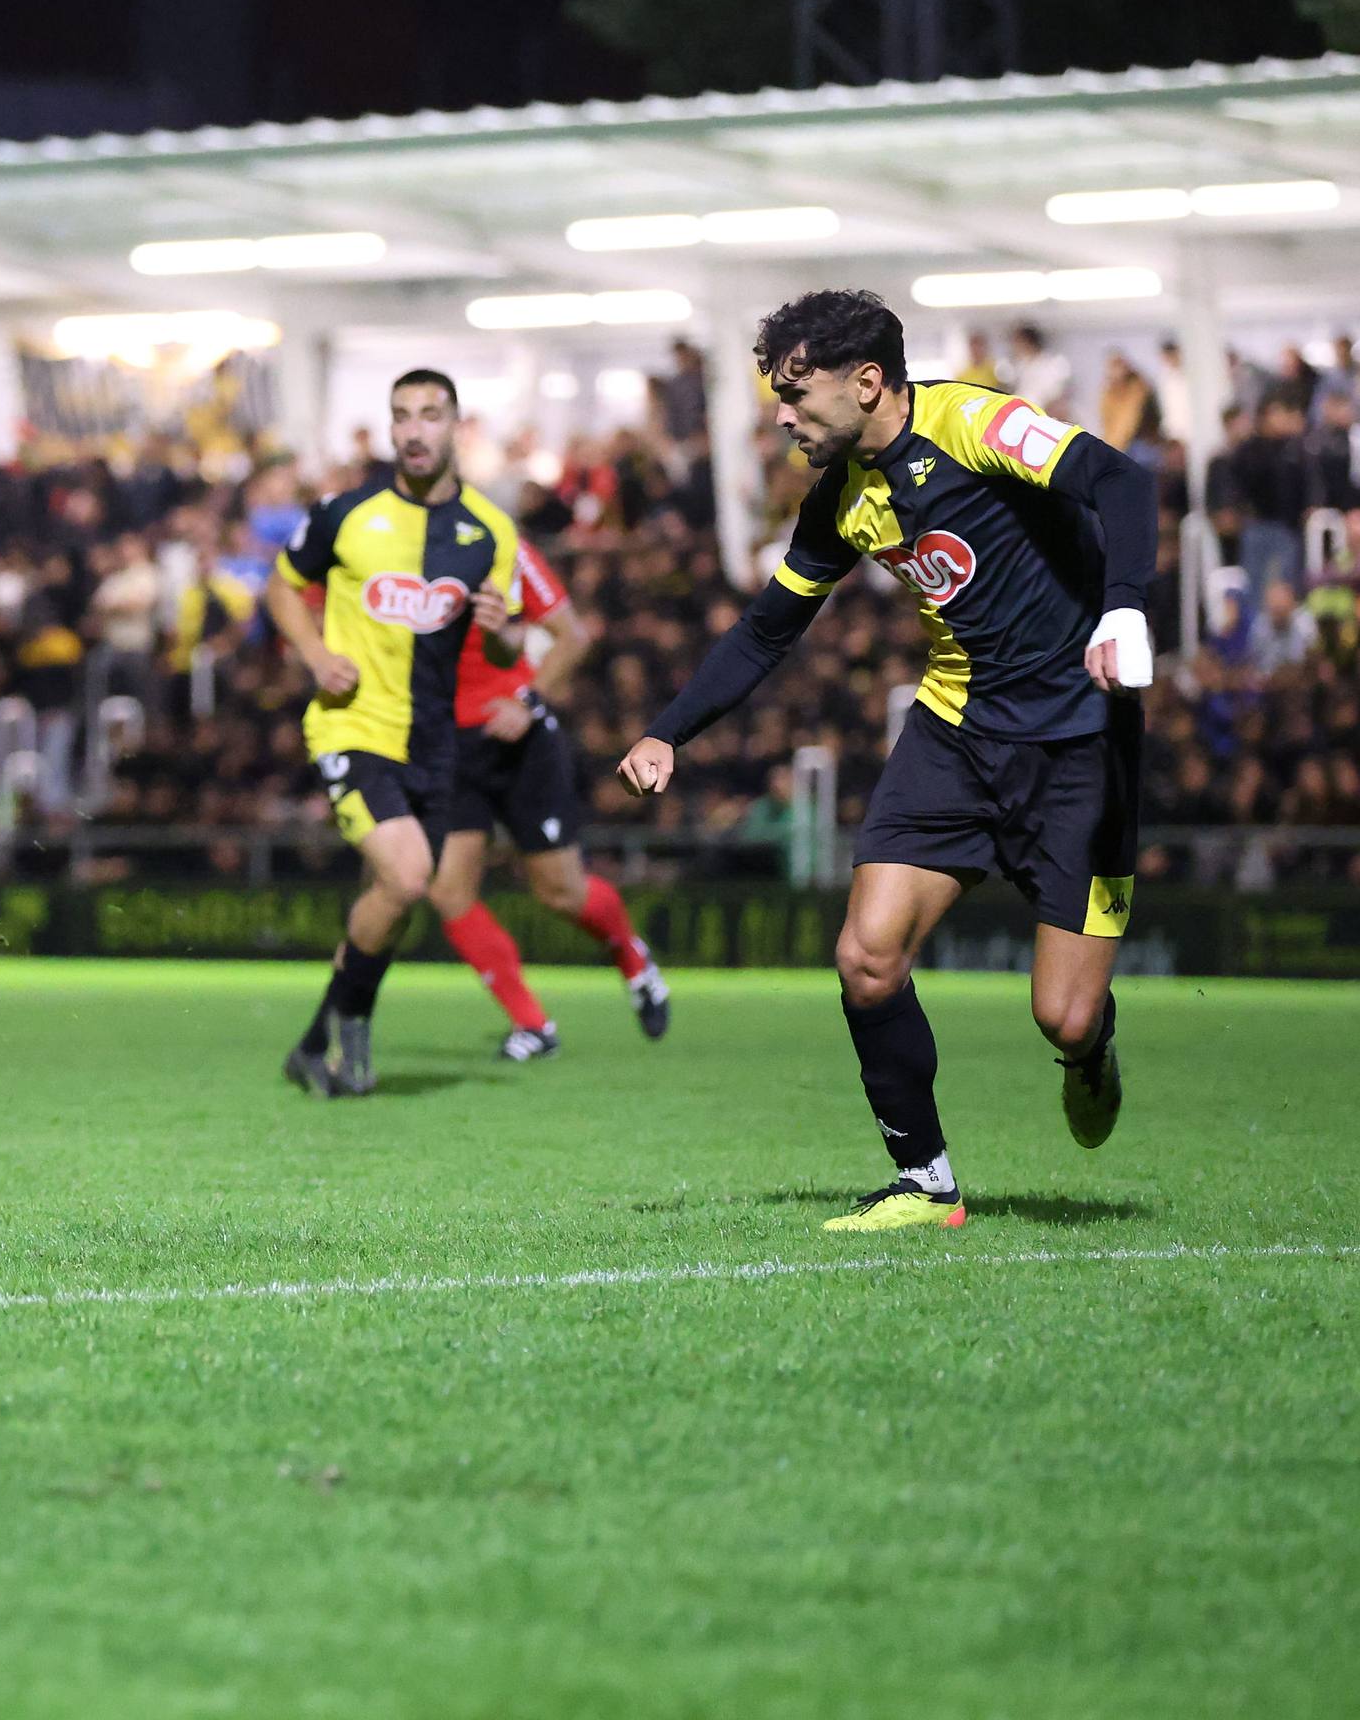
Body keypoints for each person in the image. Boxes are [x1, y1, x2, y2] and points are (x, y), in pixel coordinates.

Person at [618, 289, 1157, 1234]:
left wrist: (1123, 606)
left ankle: (1090, 1051)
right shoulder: (839, 498)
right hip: (954, 731)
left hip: (1080, 744)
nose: (780, 416)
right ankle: (925, 1183)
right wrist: (668, 731)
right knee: (866, 960)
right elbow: (766, 630)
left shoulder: (975, 424)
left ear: (866, 382)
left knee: (1064, 1018)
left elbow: (1121, 480)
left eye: (794, 393)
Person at [261, 368, 524, 1097]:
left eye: (429, 414)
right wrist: (315, 655)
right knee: (407, 877)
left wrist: (502, 635)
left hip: (433, 743)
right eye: (401, 415)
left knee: (394, 897)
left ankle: (315, 1044)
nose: (413, 430)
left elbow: (508, 646)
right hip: (352, 727)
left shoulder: (490, 531)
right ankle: (350, 1030)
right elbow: (281, 586)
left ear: (455, 425)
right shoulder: (347, 513)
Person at [427, 534, 671, 1061]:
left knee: (561, 893)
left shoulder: (501, 545)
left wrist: (526, 700)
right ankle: (533, 1025)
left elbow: (572, 636)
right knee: (448, 891)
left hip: (518, 740)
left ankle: (632, 958)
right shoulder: (391, 546)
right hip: (447, 746)